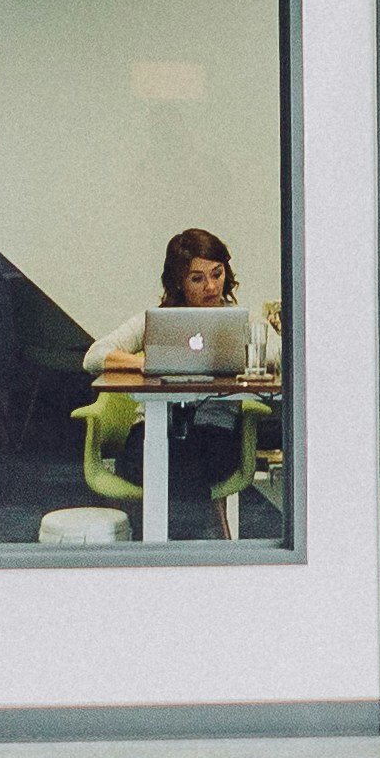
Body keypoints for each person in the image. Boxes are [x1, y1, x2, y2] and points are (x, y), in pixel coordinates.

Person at [87, 229, 282, 537]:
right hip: (153, 430)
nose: (211, 286)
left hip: (213, 433)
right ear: (179, 281)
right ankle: (189, 549)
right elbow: (94, 356)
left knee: (181, 466)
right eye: (197, 279)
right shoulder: (155, 320)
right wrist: (147, 362)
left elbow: (278, 354)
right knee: (168, 461)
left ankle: (164, 548)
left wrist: (251, 347)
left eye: (217, 274)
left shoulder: (240, 321)